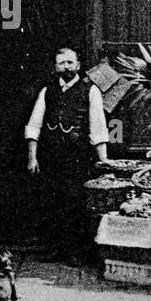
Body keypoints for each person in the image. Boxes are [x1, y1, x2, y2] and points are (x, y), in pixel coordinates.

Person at [24, 47, 110, 263]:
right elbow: (34, 126)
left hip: (77, 159)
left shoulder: (90, 91)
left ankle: (75, 252)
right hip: (51, 158)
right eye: (62, 63)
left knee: (75, 203)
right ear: (56, 67)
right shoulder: (48, 91)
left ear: (78, 65)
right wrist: (32, 158)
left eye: (70, 63)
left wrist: (104, 163)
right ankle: (55, 248)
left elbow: (98, 129)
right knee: (52, 202)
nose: (66, 67)